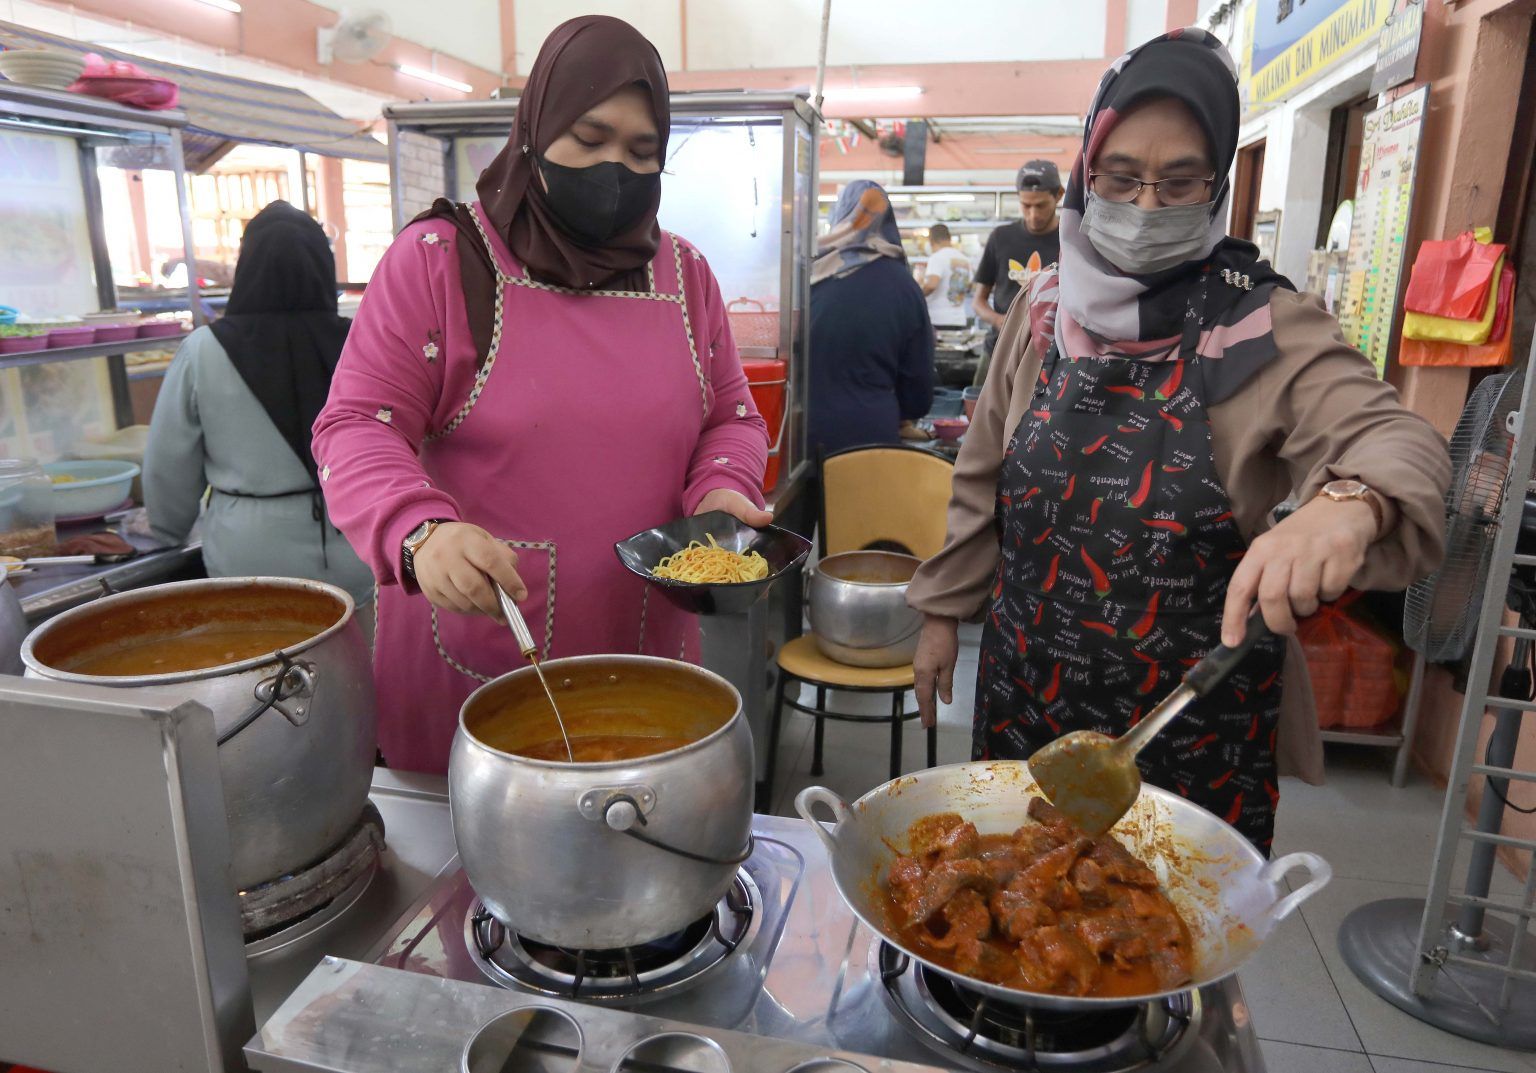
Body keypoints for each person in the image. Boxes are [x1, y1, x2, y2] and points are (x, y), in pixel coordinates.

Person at [905, 29, 1451, 853]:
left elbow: (1393, 435)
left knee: (1167, 942)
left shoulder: (1261, 323)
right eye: (1122, 178)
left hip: (1191, 727)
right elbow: (984, 473)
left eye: (1179, 181)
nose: (1147, 206)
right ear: (1088, 171)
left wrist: (1348, 501)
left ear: (1217, 183)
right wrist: (944, 611)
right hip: (1028, 692)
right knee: (1013, 914)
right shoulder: (1044, 307)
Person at [311, 16, 769, 775]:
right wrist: (420, 531)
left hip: (645, 653)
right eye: (588, 140)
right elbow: (357, 424)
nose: (614, 168)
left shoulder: (685, 277)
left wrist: (722, 488)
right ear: (535, 130)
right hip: (480, 661)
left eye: (641, 150)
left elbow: (732, 416)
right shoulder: (442, 262)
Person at [145, 201, 373, 616]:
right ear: (324, 265)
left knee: (258, 669)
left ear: (246, 266)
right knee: (357, 671)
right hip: (354, 540)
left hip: (248, 552)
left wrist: (166, 532)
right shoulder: (361, 339)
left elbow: (169, 463)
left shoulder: (203, 350)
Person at [807, 180, 935, 456]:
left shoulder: (811, 276)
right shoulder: (904, 286)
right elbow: (918, 387)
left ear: (839, 217)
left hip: (802, 434)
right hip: (871, 436)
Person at [971, 160, 1063, 384]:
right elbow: (978, 301)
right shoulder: (1000, 238)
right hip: (999, 349)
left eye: (1040, 206)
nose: (1032, 215)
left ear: (1059, 195)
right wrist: (998, 320)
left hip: (1052, 355)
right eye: (1026, 206)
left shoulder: (1070, 239)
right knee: (982, 413)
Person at [921, 223, 973, 330]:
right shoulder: (965, 260)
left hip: (938, 319)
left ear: (931, 241)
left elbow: (931, 285)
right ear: (949, 239)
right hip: (959, 319)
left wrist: (917, 296)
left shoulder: (936, 258)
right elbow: (969, 287)